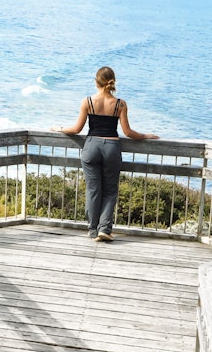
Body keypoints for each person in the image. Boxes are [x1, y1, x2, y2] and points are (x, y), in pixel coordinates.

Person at [53, 66, 159, 242]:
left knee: (93, 190)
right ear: (112, 82)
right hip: (111, 147)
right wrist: (146, 136)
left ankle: (93, 230)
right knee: (110, 190)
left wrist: (60, 128)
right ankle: (105, 228)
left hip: (92, 146)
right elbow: (129, 132)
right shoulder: (120, 104)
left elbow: (77, 129)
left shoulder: (87, 101)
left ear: (96, 82)